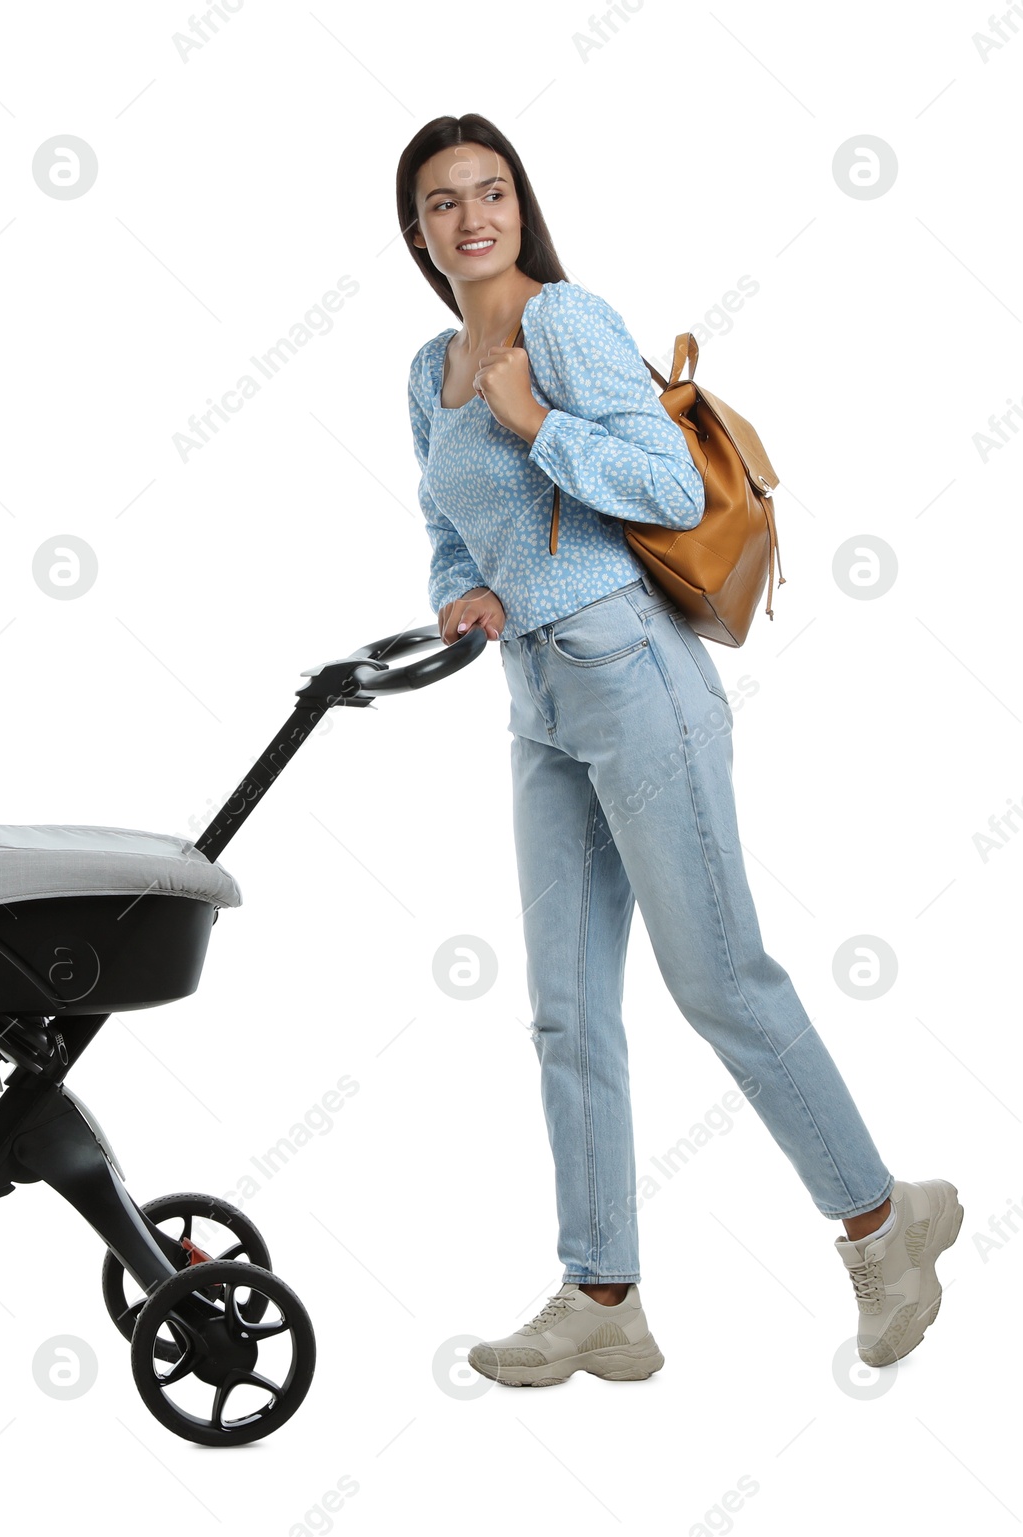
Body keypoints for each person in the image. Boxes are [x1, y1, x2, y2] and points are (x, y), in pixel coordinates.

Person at [398, 112, 961, 1386]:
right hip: (537, 697)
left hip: (633, 669)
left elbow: (668, 486)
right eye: (444, 201)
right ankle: (601, 1291)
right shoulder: (425, 364)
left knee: (717, 977)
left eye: (491, 192)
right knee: (564, 1009)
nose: (471, 217)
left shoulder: (567, 323)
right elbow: (444, 518)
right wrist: (459, 590)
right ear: (417, 228)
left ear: (517, 206)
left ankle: (884, 1223)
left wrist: (538, 419)